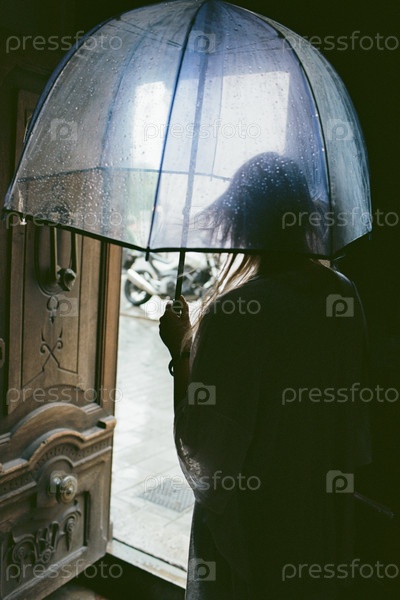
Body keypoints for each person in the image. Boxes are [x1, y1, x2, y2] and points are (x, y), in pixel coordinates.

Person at [159, 154, 371, 599]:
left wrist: (181, 349)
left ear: (242, 223)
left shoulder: (234, 314)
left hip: (254, 527)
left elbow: (205, 449)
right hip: (319, 512)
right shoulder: (342, 293)